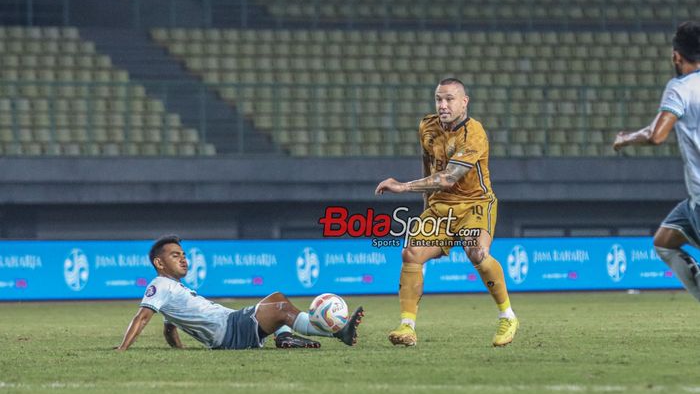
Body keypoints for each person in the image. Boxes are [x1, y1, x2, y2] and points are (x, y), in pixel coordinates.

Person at [375, 77, 518, 347]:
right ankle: (407, 327)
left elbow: (448, 177)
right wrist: (426, 207)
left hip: (475, 203)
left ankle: (507, 316)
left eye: (449, 99)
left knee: (476, 251)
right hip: (440, 206)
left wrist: (403, 187)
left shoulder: (474, 133)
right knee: (411, 253)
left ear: (464, 102)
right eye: (439, 99)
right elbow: (429, 167)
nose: (443, 105)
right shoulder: (427, 126)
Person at [115, 235, 363, 351]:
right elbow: (142, 317)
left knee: (277, 300)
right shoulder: (160, 285)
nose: (184, 260)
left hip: (229, 327)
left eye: (184, 255)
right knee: (280, 306)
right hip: (230, 330)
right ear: (159, 263)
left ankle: (284, 337)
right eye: (175, 255)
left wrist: (180, 350)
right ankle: (340, 332)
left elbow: (169, 329)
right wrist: (122, 349)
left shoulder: (172, 290)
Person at [614, 21, 700, 303]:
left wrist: (625, 139)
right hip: (691, 205)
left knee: (664, 245)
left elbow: (656, 135)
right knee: (664, 241)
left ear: (676, 56)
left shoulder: (680, 88)